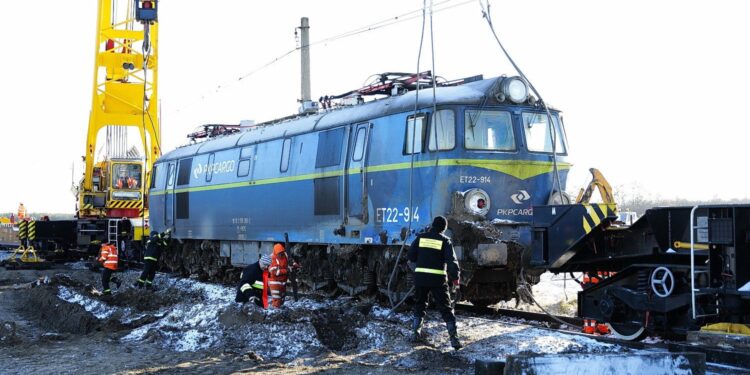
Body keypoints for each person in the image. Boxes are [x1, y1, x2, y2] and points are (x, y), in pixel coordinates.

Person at [407, 215, 462, 350]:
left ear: (432, 225)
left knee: (420, 304)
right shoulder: (445, 240)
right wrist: (456, 279)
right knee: (446, 309)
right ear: (444, 229)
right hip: (438, 280)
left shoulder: (420, 238)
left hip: (421, 279)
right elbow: (452, 262)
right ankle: (454, 340)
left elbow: (411, 256)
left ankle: (415, 334)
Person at [268, 243, 289, 308]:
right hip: (274, 282)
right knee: (277, 298)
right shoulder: (272, 259)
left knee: (282, 297)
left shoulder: (285, 255)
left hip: (282, 281)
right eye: (279, 253)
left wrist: (295, 265)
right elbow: (274, 272)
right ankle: (275, 311)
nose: (281, 254)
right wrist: (286, 271)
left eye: (282, 252)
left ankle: (279, 309)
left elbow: (290, 262)